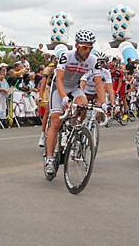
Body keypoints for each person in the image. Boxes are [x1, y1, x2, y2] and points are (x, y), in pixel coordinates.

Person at [44, 29, 106, 175]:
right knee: (55, 122)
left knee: (84, 107)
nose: (88, 51)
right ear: (77, 45)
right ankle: (50, 159)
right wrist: (64, 97)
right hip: (59, 88)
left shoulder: (93, 60)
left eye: (91, 48)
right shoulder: (66, 56)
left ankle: (73, 130)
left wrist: (104, 104)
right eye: (85, 47)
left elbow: (98, 84)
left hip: (75, 88)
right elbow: (58, 78)